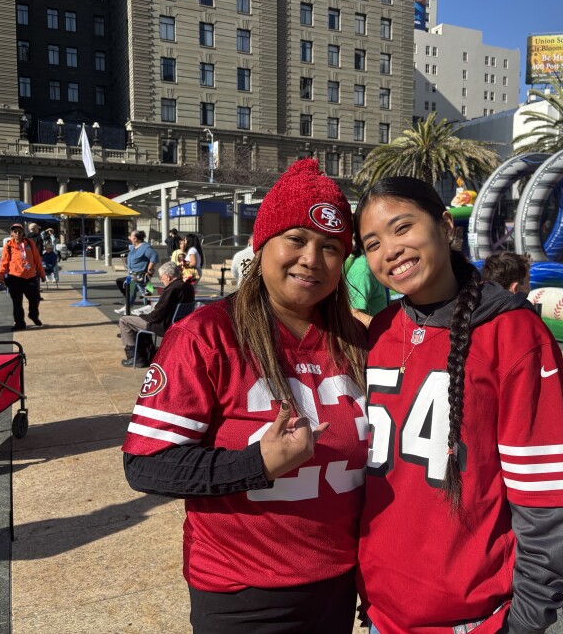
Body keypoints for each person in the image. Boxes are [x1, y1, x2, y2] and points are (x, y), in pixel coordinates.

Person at [121, 159, 368, 633]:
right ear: (263, 245)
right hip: (243, 593)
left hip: (339, 583)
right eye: (296, 239)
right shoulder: (206, 335)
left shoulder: (356, 341)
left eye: (331, 248)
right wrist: (256, 463)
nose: (312, 259)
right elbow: (145, 464)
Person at [355, 176, 563, 634]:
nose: (390, 250)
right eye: (373, 243)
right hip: (383, 614)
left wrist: (523, 621)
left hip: (473, 619)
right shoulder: (379, 330)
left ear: (445, 226)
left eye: (403, 228)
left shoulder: (514, 333)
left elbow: (547, 499)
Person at [118, 261, 194, 367]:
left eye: (161, 277)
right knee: (137, 319)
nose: (161, 279)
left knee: (124, 320)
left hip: (163, 325)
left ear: (168, 276)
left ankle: (134, 357)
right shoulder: (188, 287)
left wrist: (142, 316)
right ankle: (146, 353)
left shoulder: (172, 289)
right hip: (179, 323)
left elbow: (157, 314)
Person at [0, 223, 45, 331]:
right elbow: (4, 262)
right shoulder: (9, 245)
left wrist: (42, 274)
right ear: (12, 233)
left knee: (35, 298)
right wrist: (0, 276)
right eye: (15, 231)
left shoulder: (30, 243)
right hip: (15, 277)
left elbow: (37, 259)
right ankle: (20, 323)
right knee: (17, 302)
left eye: (19, 231)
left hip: (30, 276)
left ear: (23, 232)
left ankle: (33, 315)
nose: (17, 233)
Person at [344, 242, 388, 327]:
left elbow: (378, 303)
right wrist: (387, 330)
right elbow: (353, 313)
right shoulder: (363, 272)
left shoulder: (374, 267)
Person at [116, 230, 159, 309]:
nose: (129, 238)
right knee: (130, 290)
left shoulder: (145, 247)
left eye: (130, 236)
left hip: (142, 274)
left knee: (146, 291)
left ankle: (149, 308)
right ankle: (128, 307)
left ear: (135, 238)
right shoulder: (133, 247)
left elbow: (154, 257)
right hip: (132, 274)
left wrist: (150, 268)